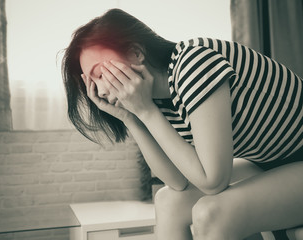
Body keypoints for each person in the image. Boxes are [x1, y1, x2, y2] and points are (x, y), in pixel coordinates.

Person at [62, 8, 303, 240]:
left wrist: (146, 111)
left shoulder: (193, 63)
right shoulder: (158, 98)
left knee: (210, 214)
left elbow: (213, 181)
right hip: (271, 163)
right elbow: (178, 181)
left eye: (101, 74)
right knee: (168, 202)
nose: (101, 91)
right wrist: (131, 116)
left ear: (136, 53)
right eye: (91, 82)